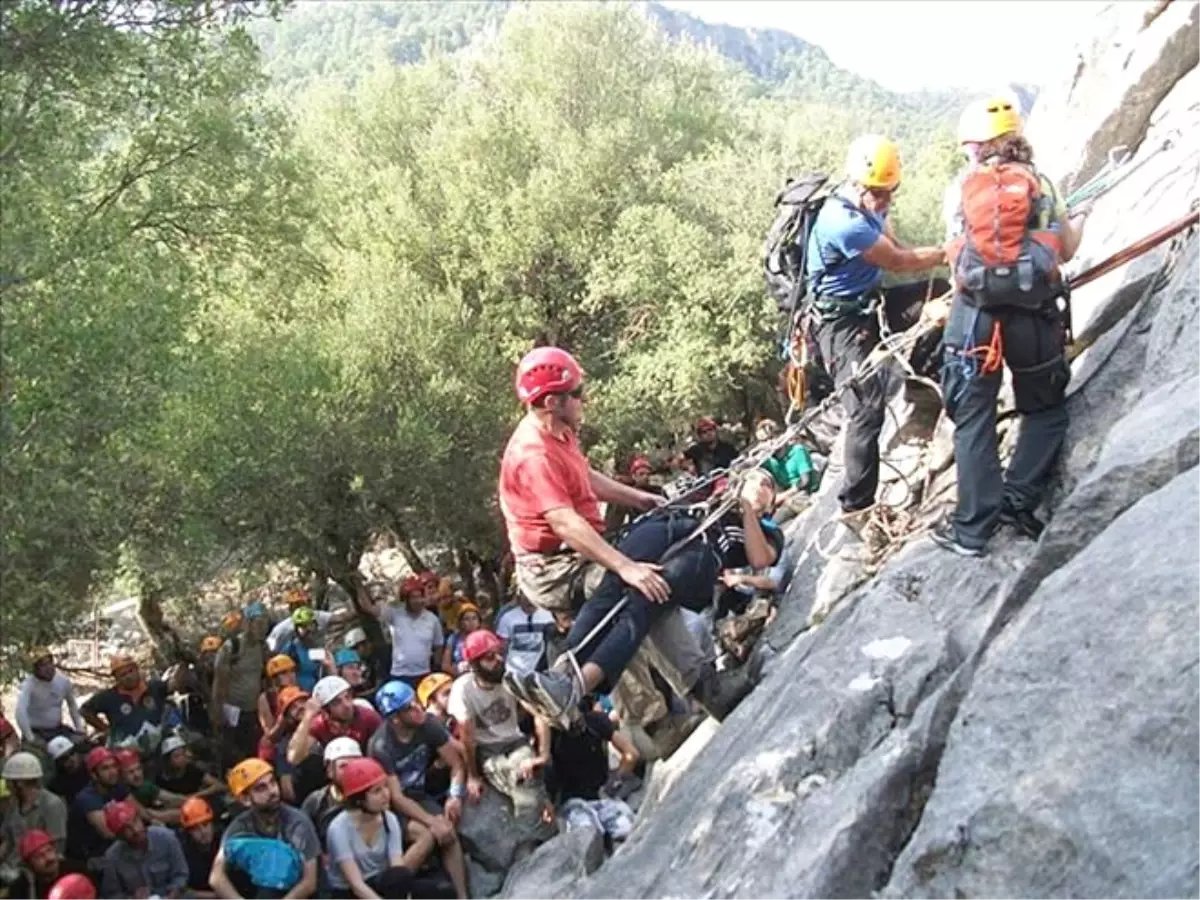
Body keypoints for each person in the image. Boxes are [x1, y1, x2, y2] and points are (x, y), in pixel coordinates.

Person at [497, 346, 711, 727]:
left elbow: (584, 478)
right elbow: (563, 522)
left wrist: (640, 498)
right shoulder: (533, 455)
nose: (584, 399)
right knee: (639, 586)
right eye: (576, 393)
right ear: (551, 401)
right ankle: (685, 692)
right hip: (554, 567)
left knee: (640, 585)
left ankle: (658, 712)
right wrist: (626, 567)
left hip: (574, 549)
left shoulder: (558, 431)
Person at [932, 95, 1086, 557]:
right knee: (1043, 409)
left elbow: (955, 254)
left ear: (975, 146)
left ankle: (972, 532)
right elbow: (1067, 249)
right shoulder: (1040, 185)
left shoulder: (960, 189)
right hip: (1035, 317)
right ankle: (1018, 502)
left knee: (974, 418)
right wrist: (1076, 221)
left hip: (974, 322)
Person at [514, 469, 783, 722]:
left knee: (643, 601)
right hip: (666, 526)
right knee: (612, 585)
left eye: (767, 485)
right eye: (754, 479)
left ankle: (578, 686)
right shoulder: (710, 496)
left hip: (699, 549)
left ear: (772, 500)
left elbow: (760, 558)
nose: (759, 486)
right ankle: (559, 676)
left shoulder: (767, 528)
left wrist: (746, 507)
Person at [803, 134, 948, 537]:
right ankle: (857, 508)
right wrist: (948, 251)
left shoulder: (870, 208)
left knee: (940, 296)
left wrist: (938, 258)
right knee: (866, 408)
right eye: (880, 194)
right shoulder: (841, 222)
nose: (886, 201)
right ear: (859, 186)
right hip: (839, 325)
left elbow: (895, 245)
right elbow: (898, 262)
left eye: (890, 193)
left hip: (869, 302)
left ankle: (923, 390)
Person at [368, 683, 469, 900]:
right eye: (409, 707)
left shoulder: (428, 724)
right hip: (390, 804)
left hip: (420, 794)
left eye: (415, 701)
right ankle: (392, 892)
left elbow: (456, 764)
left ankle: (463, 897)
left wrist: (454, 795)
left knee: (448, 832)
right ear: (395, 718)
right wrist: (432, 821)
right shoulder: (381, 745)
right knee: (428, 835)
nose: (418, 708)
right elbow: (396, 796)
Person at [448, 631, 553, 826]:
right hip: (488, 749)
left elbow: (539, 714)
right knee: (514, 776)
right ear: (474, 664)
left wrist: (543, 755)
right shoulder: (463, 689)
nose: (498, 660)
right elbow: (468, 738)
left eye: (499, 653)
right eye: (490, 657)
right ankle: (536, 820)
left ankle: (537, 821)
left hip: (515, 741)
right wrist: (472, 776)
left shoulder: (510, 678)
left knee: (526, 769)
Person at [209, 759, 320, 900]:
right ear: (245, 799)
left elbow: (309, 882)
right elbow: (216, 877)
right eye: (261, 788)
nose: (272, 791)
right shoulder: (239, 827)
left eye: (273, 782)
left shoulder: (297, 823)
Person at [323, 758, 432, 900]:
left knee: (440, 891)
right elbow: (356, 884)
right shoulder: (339, 828)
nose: (386, 794)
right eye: (377, 791)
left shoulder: (389, 819)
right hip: (348, 891)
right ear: (359, 799)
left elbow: (397, 869)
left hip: (380, 881)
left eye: (385, 787)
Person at [357, 577, 444, 690]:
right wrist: (358, 584)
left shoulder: (432, 619)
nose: (417, 600)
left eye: (420, 596)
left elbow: (438, 645)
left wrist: (436, 668)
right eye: (413, 597)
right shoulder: (395, 614)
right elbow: (368, 607)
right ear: (406, 600)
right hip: (400, 674)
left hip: (424, 673)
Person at [547, 699, 640, 804]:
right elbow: (631, 754)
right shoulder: (594, 721)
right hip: (591, 794)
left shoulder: (595, 721)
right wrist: (613, 782)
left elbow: (632, 754)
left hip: (579, 799)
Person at [210, 601, 269, 765]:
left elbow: (265, 676)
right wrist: (217, 713)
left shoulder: (263, 647)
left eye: (265, 624)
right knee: (234, 752)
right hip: (233, 711)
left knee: (254, 749)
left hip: (254, 710)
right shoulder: (231, 648)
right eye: (259, 623)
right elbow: (219, 682)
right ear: (248, 624)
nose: (262, 628)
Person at [67, 748, 147, 867]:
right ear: (94, 775)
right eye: (105, 768)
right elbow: (108, 833)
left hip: (121, 843)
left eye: (114, 766)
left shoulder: (117, 787)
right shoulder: (87, 798)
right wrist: (139, 835)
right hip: (94, 855)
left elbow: (142, 814)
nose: (113, 772)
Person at [98, 798, 188, 900]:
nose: (135, 830)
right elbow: (111, 896)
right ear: (120, 836)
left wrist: (173, 893)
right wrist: (132, 898)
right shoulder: (112, 857)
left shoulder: (166, 838)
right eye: (127, 828)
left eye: (135, 821)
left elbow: (181, 874)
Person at [287, 677, 382, 772]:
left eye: (347, 697)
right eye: (337, 702)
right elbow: (294, 758)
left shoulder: (368, 717)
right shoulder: (320, 724)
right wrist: (308, 716)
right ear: (325, 710)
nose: (347, 705)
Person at [79, 656, 171, 755]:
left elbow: (175, 685)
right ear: (116, 678)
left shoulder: (154, 687)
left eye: (131, 671)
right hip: (126, 753)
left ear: (137, 670)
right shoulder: (109, 697)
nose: (128, 676)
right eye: (123, 675)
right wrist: (106, 730)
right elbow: (85, 710)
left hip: (159, 748)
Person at [1, 753, 67, 874]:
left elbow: (57, 849)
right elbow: (7, 840)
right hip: (11, 867)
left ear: (19, 783)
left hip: (36, 871)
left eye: (9, 781)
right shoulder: (14, 805)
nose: (7, 786)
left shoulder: (51, 805)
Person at [259, 687, 321, 807]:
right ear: (287, 718)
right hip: (309, 796)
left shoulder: (327, 723)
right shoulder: (284, 745)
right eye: (293, 707)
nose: (300, 707)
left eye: (302, 702)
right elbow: (287, 789)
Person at [754, 418, 819, 525]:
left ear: (779, 436)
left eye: (770, 438)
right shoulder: (768, 461)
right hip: (785, 497)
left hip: (805, 494)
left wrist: (782, 497)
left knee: (775, 521)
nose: (768, 443)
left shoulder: (798, 451)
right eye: (763, 441)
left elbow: (805, 482)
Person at [299, 738, 362, 846]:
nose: (350, 771)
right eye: (343, 766)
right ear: (329, 769)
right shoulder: (315, 802)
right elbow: (304, 839)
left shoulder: (370, 797)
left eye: (355, 765)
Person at [15, 649, 83, 748]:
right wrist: (31, 737)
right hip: (37, 732)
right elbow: (20, 711)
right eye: (43, 665)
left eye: (50, 663)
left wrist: (79, 728)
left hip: (58, 729)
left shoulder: (63, 681)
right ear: (35, 669)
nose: (49, 668)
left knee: (81, 747)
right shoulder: (28, 685)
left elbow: (72, 705)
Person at [7, 829, 90, 900]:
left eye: (49, 850)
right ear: (29, 865)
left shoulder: (77, 870)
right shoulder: (21, 888)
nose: (48, 858)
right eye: (39, 856)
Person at [265, 592, 356, 654]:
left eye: (304, 604)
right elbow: (270, 649)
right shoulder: (281, 630)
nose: (308, 629)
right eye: (296, 605)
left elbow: (340, 618)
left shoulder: (317, 615)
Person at [494, 592, 554, 677]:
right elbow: (502, 647)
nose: (529, 601)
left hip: (541, 671)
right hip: (514, 672)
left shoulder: (549, 616)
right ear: (519, 596)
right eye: (526, 597)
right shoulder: (508, 617)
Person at [277, 608, 332, 693]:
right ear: (296, 629)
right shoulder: (290, 649)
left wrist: (328, 665)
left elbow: (328, 673)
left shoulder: (319, 648)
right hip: (297, 694)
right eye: (303, 627)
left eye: (311, 625)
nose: (308, 631)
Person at [178, 797, 220, 900]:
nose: (203, 832)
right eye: (196, 829)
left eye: (206, 824)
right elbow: (182, 891)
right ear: (188, 833)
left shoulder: (224, 840)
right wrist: (217, 896)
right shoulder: (182, 852)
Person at [156, 736, 224, 801]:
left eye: (183, 754)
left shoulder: (192, 769)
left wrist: (193, 796)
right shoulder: (161, 779)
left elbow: (219, 785)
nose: (182, 758)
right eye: (177, 756)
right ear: (168, 760)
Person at [257, 654, 299, 738]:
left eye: (292, 671)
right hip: (278, 742)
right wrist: (284, 717)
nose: (290, 676)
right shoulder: (266, 698)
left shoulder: (299, 692)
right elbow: (270, 734)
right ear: (274, 678)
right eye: (284, 673)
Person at [44, 739, 89, 807]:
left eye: (72, 753)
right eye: (65, 758)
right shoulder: (56, 785)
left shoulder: (90, 769)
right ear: (58, 762)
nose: (71, 759)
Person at [440, 605, 481, 677]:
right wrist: (460, 674)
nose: (471, 622)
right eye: (466, 619)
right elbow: (445, 666)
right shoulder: (453, 639)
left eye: (474, 618)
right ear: (460, 622)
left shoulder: (484, 638)